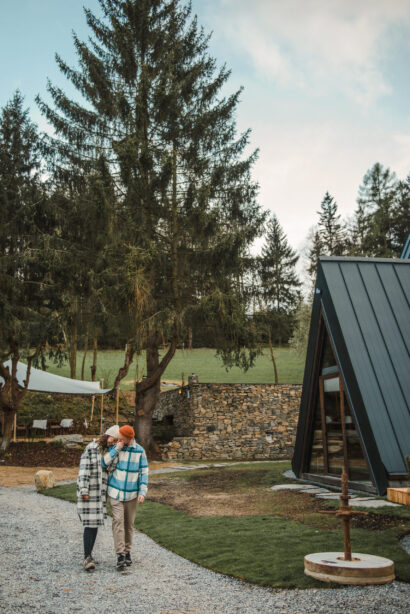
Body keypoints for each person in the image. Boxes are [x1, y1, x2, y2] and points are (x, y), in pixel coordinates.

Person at [102, 424, 149, 569]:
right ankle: (120, 555)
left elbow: (144, 473)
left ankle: (127, 552)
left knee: (128, 524)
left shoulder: (140, 451)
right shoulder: (116, 447)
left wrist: (142, 492)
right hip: (115, 492)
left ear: (129, 438)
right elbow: (104, 462)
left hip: (132, 494)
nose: (119, 439)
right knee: (118, 522)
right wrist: (116, 449)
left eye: (122, 437)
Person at [77, 425, 120, 571]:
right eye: (113, 440)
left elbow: (110, 468)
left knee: (94, 524)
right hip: (89, 491)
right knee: (90, 524)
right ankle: (87, 557)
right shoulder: (92, 448)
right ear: (107, 435)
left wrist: (115, 451)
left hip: (100, 493)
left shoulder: (107, 451)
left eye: (115, 441)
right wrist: (84, 489)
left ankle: (88, 555)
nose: (112, 443)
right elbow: (84, 469)